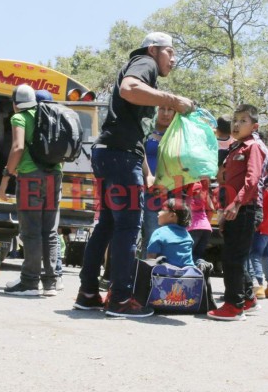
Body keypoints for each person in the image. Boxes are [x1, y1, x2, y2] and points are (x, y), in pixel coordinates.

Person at [73, 32, 195, 318]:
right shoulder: (145, 62)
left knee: (106, 225)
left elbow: (135, 139)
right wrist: (174, 100)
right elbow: (129, 88)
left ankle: (88, 293)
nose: (174, 59)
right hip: (118, 156)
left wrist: (148, 173)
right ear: (154, 49)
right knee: (128, 228)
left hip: (110, 153)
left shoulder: (145, 69)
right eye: (171, 52)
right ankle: (121, 299)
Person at [0, 84, 61, 297]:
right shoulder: (48, 114)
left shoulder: (19, 118)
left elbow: (18, 147)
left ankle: (30, 282)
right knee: (49, 231)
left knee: (31, 230)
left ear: (15, 104)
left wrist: (6, 177)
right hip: (54, 176)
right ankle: (51, 283)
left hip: (30, 177)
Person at [207, 104, 265, 321]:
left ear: (254, 126)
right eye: (235, 120)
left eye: (243, 120)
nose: (237, 124)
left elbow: (252, 181)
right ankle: (247, 299)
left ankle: (234, 306)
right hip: (234, 210)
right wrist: (224, 210)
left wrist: (237, 204)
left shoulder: (253, 147)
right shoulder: (234, 149)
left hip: (245, 209)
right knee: (235, 257)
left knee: (232, 259)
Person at [147, 198, 217, 311]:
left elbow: (150, 259)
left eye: (162, 210)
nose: (158, 213)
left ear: (172, 215)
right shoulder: (186, 234)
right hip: (187, 281)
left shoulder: (159, 233)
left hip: (165, 281)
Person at [141, 105, 176, 259]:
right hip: (148, 190)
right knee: (151, 235)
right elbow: (139, 152)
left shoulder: (178, 134)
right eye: (162, 109)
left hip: (172, 192)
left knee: (167, 238)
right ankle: (145, 276)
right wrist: (148, 174)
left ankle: (160, 277)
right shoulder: (146, 129)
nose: (166, 113)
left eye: (170, 110)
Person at [248, 184, 268, 299]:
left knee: (255, 254)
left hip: (263, 225)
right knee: (267, 255)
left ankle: (259, 285)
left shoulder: (263, 185)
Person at [185, 180, 213, 264]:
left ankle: (190, 275)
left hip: (193, 227)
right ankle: (201, 274)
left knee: (188, 255)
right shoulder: (205, 191)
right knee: (198, 256)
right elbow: (211, 208)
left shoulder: (192, 187)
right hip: (206, 228)